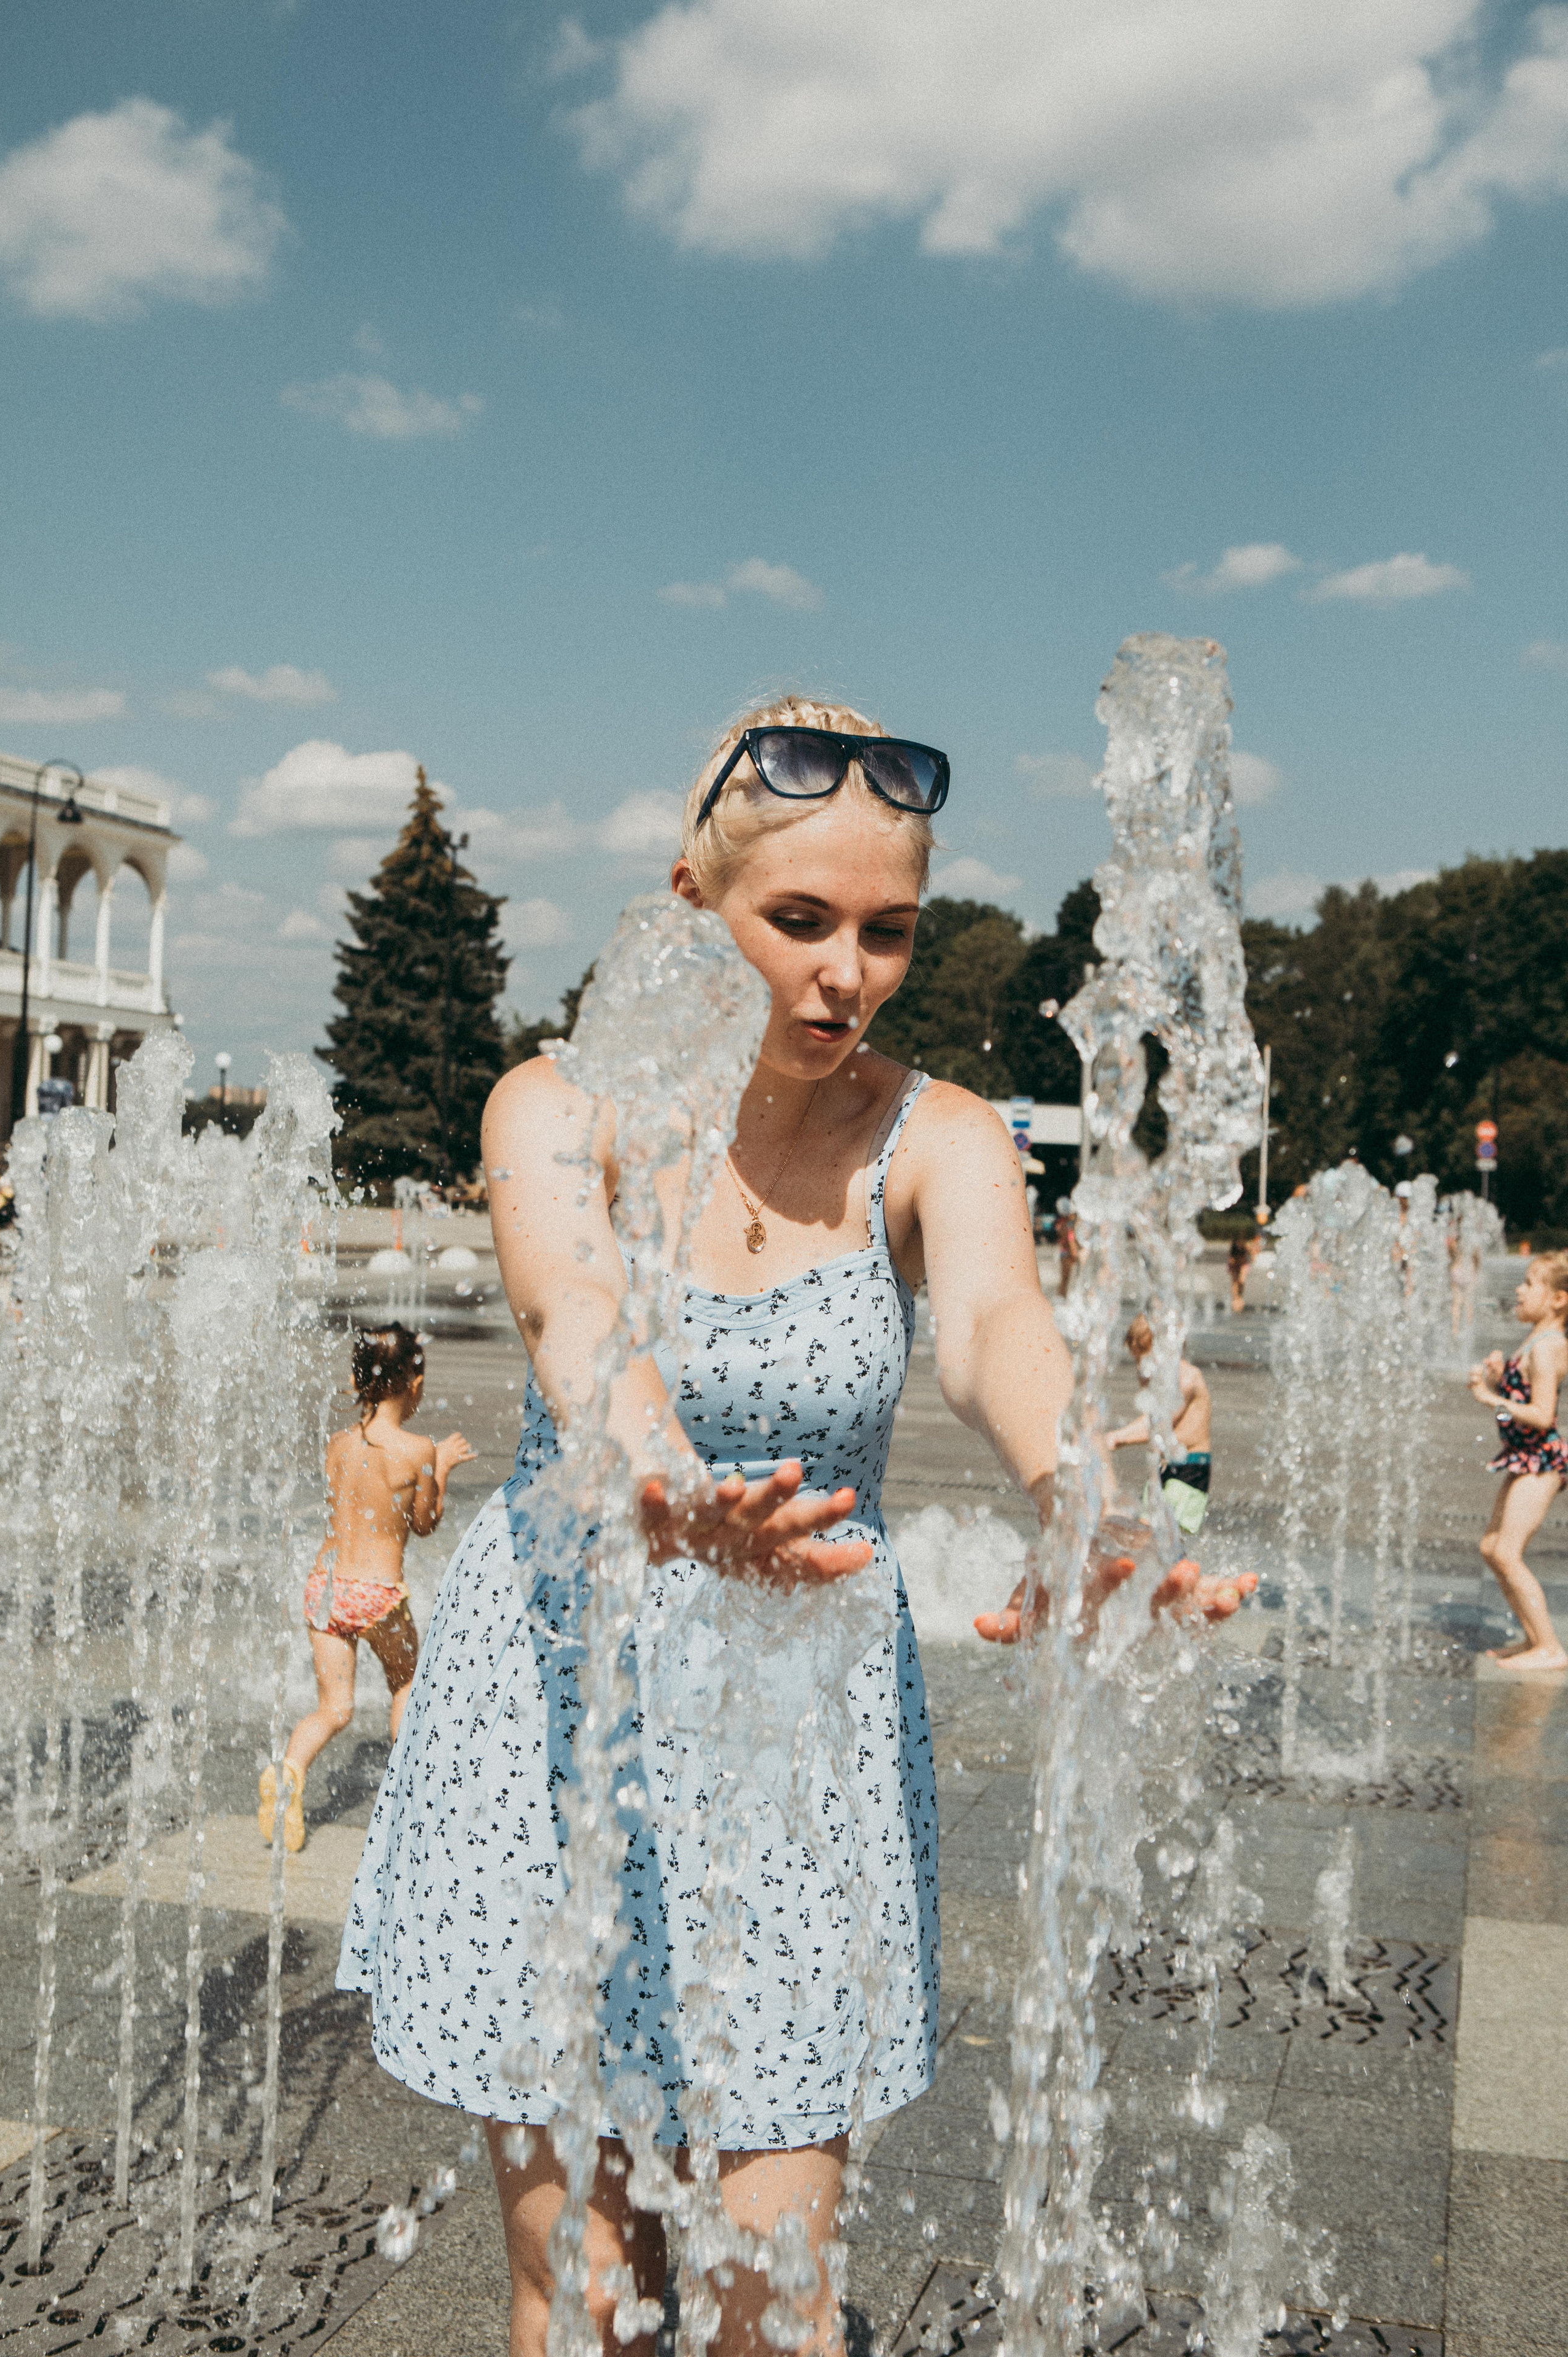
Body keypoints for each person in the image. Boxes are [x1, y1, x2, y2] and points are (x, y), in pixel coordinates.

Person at [336, 697, 1254, 2357]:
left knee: (777, 2284)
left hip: (795, 1742)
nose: (850, 972)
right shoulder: (558, 1108)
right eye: (802, 923)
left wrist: (1090, 1498)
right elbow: (574, 1318)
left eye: (888, 931)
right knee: (586, 2287)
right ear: (694, 905)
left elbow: (994, 1337)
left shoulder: (942, 1135)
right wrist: (668, 1483)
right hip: (560, 1716)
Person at [258, 1322, 474, 1852]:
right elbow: (424, 1523)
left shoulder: (338, 1444)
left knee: (334, 1709)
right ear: (415, 1384)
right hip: (376, 1594)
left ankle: (288, 1773)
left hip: (326, 1587)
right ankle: (408, 1794)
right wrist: (440, 1468)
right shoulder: (418, 1449)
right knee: (405, 1684)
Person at [1468, 1252, 1568, 1671]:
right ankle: (1533, 1639)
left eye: (1530, 1284)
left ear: (1559, 1299)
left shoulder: (1548, 1349)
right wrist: (1498, 1378)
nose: (1519, 1290)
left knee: (1508, 1552)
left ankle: (1549, 1647)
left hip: (1542, 1462)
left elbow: (1543, 1415)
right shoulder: (1535, 1340)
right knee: (1492, 1548)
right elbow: (1519, 1404)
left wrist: (1493, 1398)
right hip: (1524, 1457)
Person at [1104, 1315, 1213, 1536]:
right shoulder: (1168, 1379)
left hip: (1190, 1468)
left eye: (1144, 1361)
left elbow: (1160, 1423)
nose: (1140, 1370)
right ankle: (1171, 1568)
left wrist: (1117, 1437)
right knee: (1150, 1531)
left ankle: (1181, 1568)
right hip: (1165, 1467)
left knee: (1159, 1533)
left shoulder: (1188, 1378)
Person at [1226, 1229, 1256, 1316]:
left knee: (1242, 1281)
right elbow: (1231, 1258)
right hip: (1235, 1264)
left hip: (1243, 1264)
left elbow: (1253, 1250)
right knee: (1235, 1281)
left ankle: (1240, 1296)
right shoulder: (1234, 1247)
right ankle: (1236, 1297)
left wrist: (1253, 1258)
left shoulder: (1246, 1246)